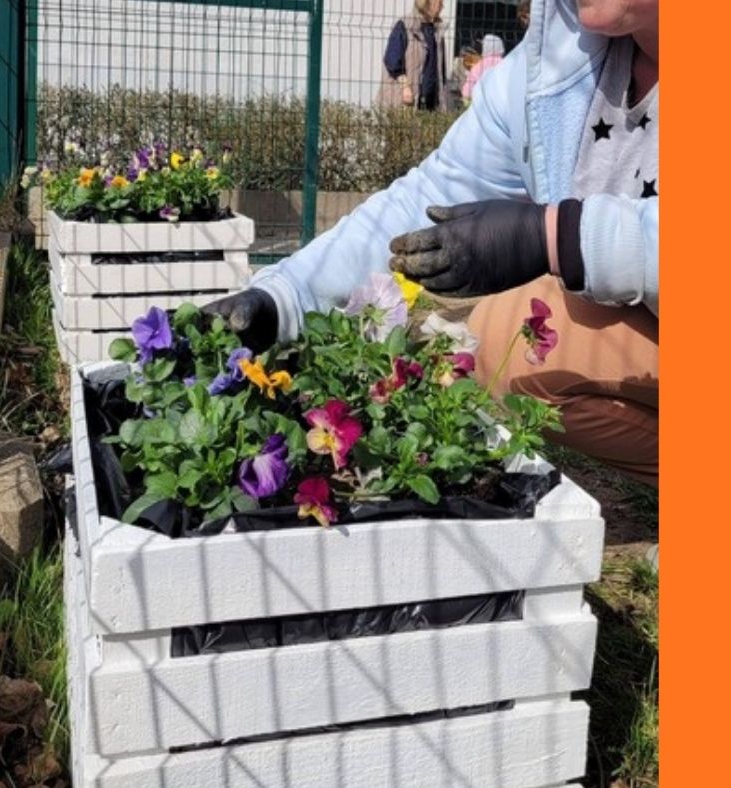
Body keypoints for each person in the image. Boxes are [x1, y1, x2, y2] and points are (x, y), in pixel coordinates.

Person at [206, 0, 659, 487]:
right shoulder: (561, 59)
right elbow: (430, 197)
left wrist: (555, 236)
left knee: (520, 323)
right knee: (511, 337)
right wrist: (285, 297)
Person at [376, 0, 447, 110]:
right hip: (405, 99)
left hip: (429, 103)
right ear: (426, 3)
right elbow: (391, 60)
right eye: (439, 1)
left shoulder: (437, 31)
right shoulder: (405, 26)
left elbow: (440, 71)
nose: (442, 6)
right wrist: (405, 86)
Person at [461, 34, 505, 101]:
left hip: (481, 101)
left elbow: (469, 88)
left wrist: (466, 98)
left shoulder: (479, 66)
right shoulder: (505, 64)